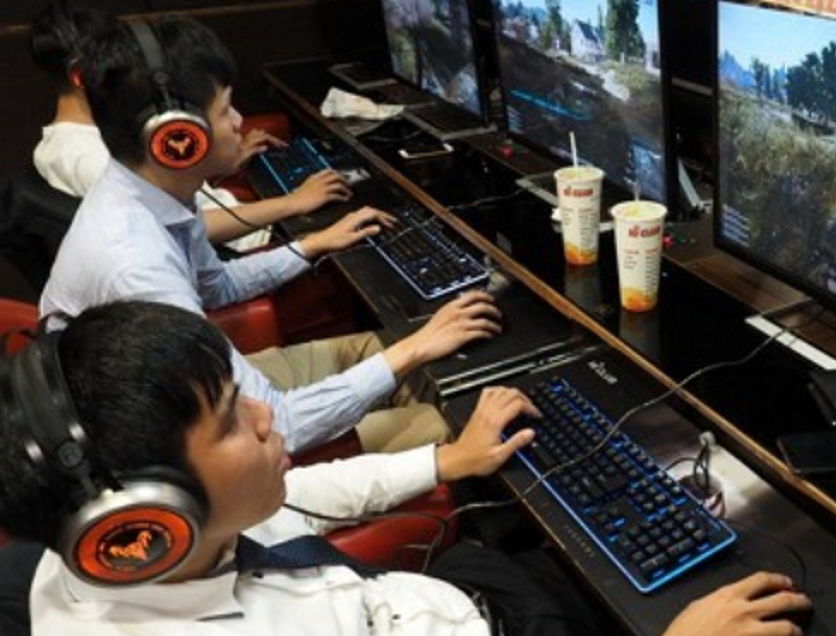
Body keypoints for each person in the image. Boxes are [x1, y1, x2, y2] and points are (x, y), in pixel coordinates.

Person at [0, 300, 813, 636]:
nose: (265, 418)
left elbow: (292, 497)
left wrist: (448, 459)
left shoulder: (117, 552)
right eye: (229, 421)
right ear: (146, 523)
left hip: (441, 593)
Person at [39, 14, 498, 455]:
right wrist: (417, 346)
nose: (240, 120)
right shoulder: (135, 266)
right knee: (446, 417)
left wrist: (312, 244)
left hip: (199, 397)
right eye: (225, 110)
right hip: (193, 446)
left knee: (383, 351)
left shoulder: (153, 192)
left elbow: (216, 285)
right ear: (177, 138)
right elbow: (279, 426)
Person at [29, 2, 351, 250]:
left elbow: (164, 192)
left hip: (234, 223)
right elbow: (193, 227)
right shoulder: (90, 158)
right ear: (80, 75)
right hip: (239, 247)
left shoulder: (74, 140)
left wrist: (222, 159)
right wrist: (293, 202)